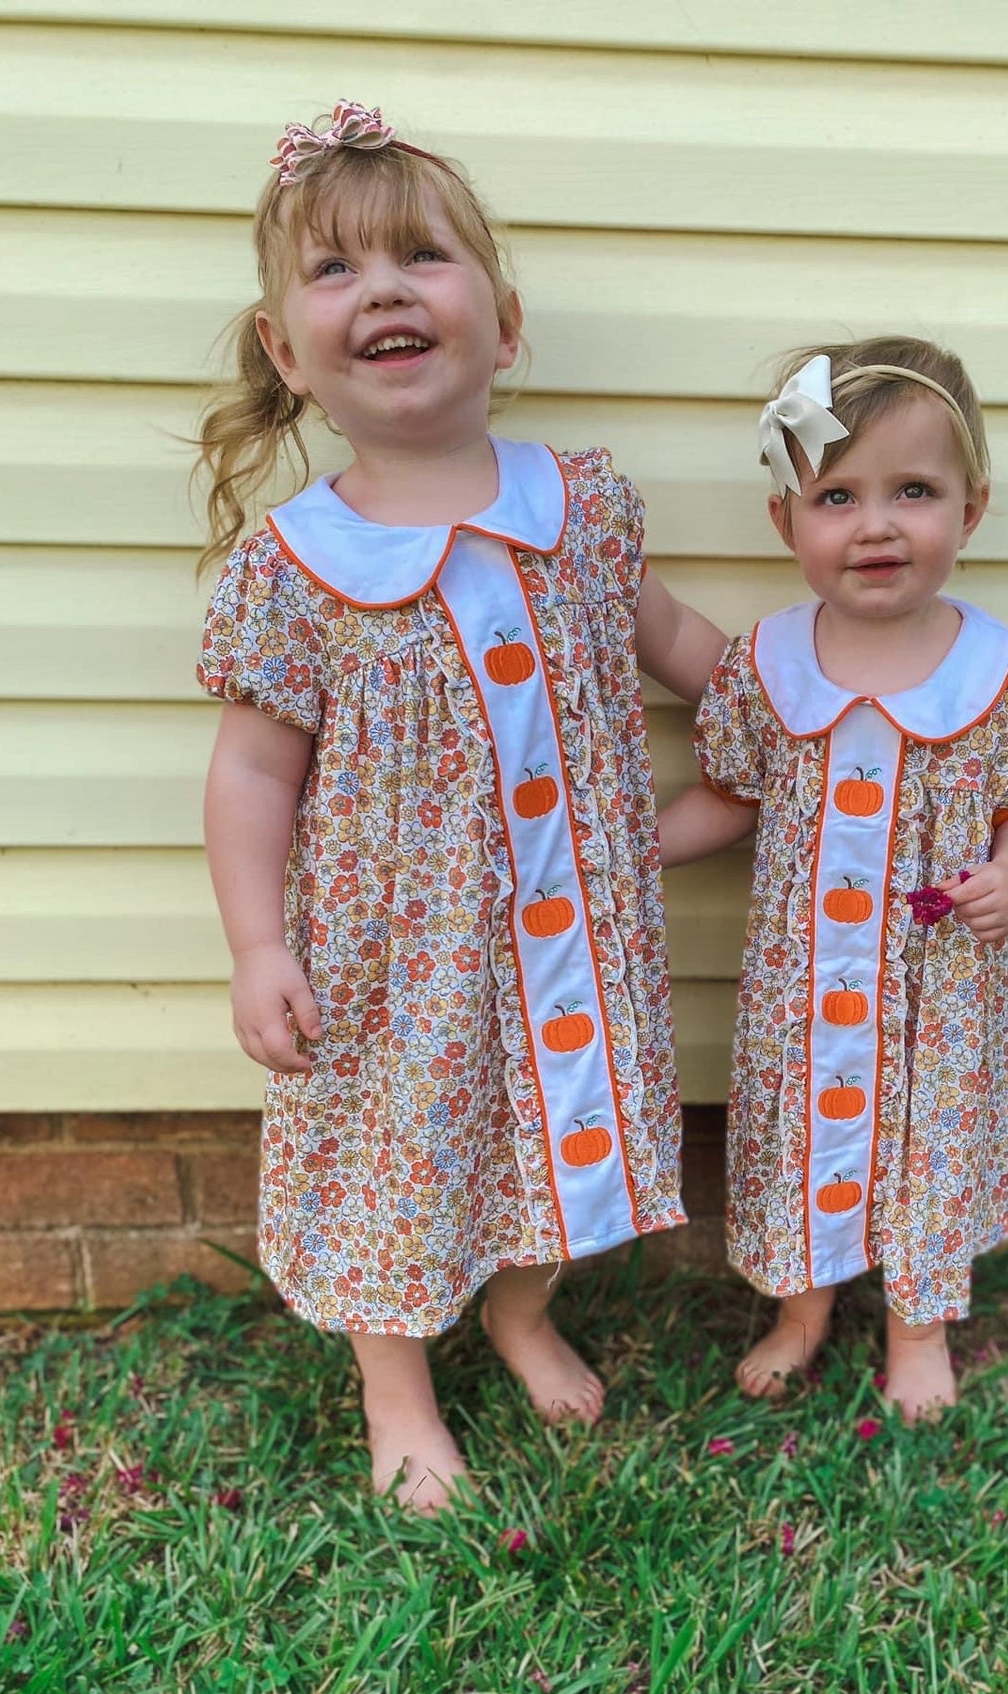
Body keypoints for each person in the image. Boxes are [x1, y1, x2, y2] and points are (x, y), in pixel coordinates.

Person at [196, 102, 724, 1510]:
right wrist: (259, 945)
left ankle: (519, 1305)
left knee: (565, 1131)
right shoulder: (296, 566)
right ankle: (396, 1378)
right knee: (395, 1155)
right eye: (333, 270)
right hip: (392, 956)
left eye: (422, 255)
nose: (381, 287)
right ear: (284, 350)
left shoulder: (583, 507)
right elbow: (253, 769)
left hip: (574, 944)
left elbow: (684, 652)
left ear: (503, 317)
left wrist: (794, 730)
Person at [657, 337, 1008, 1420]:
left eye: (914, 490)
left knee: (922, 1150)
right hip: (803, 991)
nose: (876, 523)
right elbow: (733, 796)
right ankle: (802, 1310)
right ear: (785, 522)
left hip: (936, 995)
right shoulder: (768, 667)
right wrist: (630, 851)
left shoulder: (1000, 675)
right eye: (835, 494)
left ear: (969, 510)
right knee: (799, 1138)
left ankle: (918, 1324)